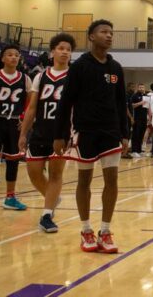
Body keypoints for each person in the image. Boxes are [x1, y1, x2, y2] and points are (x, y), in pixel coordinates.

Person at [55, 20, 129, 253]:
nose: (109, 36)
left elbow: (120, 102)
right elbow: (66, 101)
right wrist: (60, 134)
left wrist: (125, 134)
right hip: (85, 131)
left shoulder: (116, 68)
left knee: (112, 180)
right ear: (91, 36)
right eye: (104, 32)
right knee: (84, 181)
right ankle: (86, 229)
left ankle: (105, 231)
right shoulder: (80, 66)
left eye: (111, 32)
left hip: (110, 131)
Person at [18, 33, 75, 232]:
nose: (65, 52)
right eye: (61, 48)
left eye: (68, 49)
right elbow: (32, 107)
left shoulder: (74, 76)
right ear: (52, 51)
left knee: (55, 174)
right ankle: (52, 199)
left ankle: (46, 214)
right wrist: (23, 133)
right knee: (33, 173)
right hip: (41, 129)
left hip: (62, 132)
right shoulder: (41, 76)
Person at [0, 44, 32, 218]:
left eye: (16, 55)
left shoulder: (26, 79)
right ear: (2, 58)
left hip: (14, 123)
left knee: (13, 161)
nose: (13, 57)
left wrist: (25, 121)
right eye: (9, 54)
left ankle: (10, 198)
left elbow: (30, 104)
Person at [130, 83, 147, 157]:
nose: (141, 88)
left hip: (144, 118)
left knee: (141, 134)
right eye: (140, 87)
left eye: (142, 87)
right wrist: (140, 103)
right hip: (137, 118)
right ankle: (134, 150)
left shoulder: (145, 96)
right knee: (136, 134)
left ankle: (139, 150)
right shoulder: (135, 95)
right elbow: (132, 105)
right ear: (138, 88)